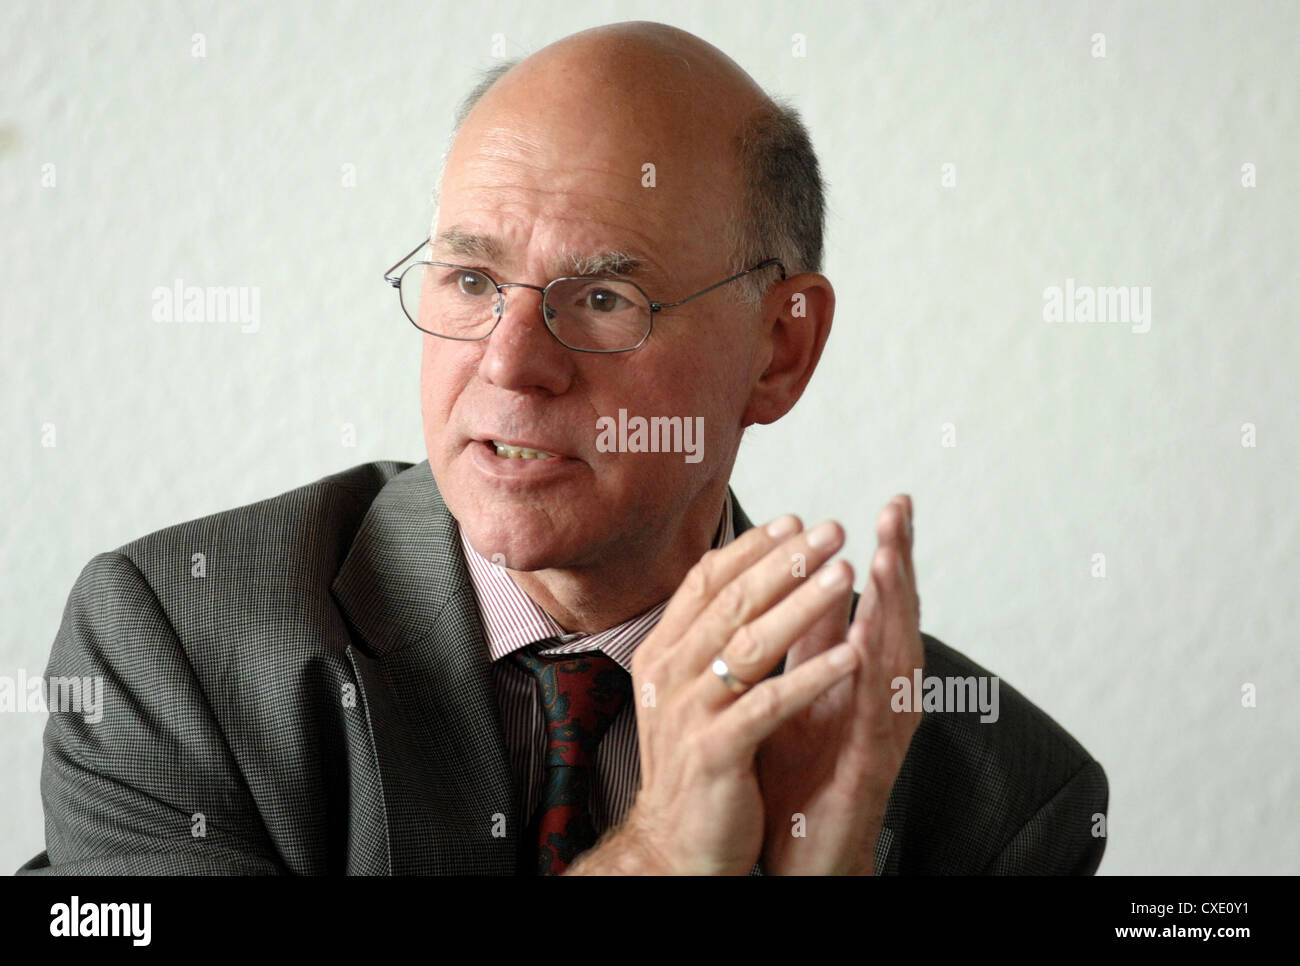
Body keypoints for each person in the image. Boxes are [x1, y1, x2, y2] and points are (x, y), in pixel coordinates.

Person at [18, 21, 1107, 876]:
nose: (509, 364)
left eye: (601, 296)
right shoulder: (178, 647)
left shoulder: (993, 792)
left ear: (780, 350)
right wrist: (663, 854)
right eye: (472, 280)